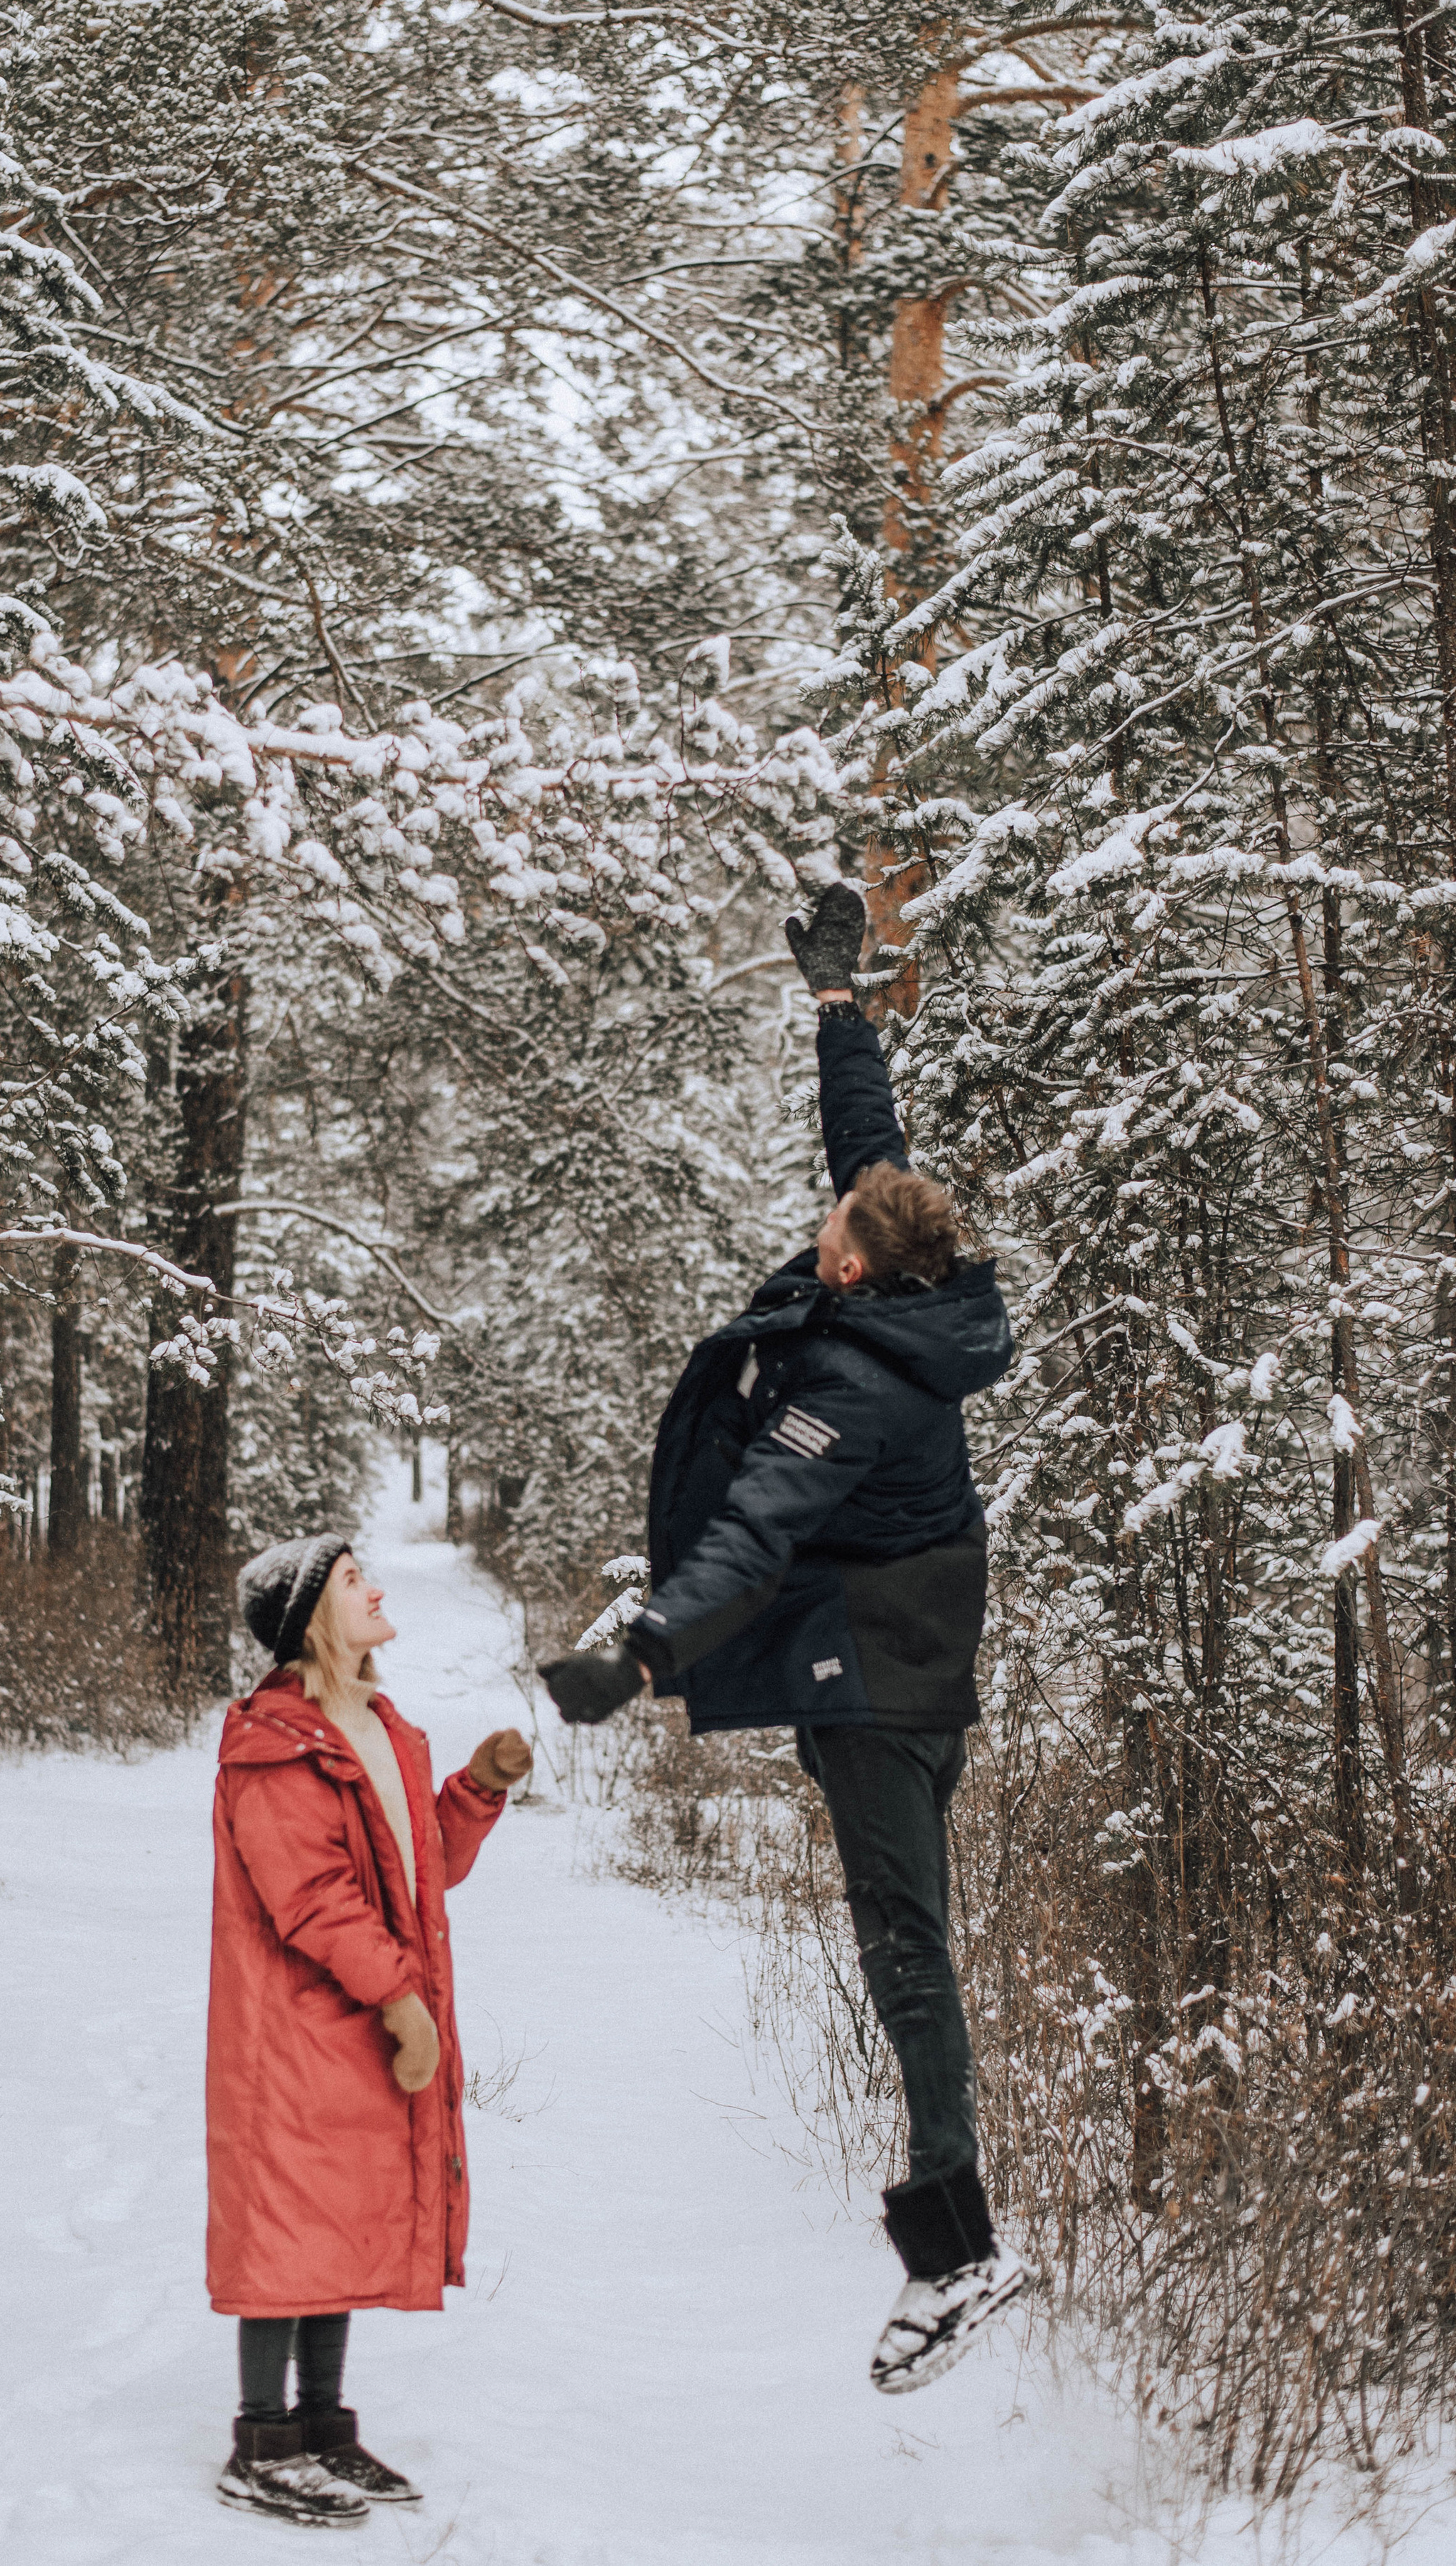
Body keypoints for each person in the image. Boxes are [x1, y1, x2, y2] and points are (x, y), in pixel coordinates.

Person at [541, 883, 1032, 2395]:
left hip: (880, 1677)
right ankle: (953, 2237)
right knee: (904, 1929)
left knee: (903, 1940)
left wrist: (640, 1653)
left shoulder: (853, 1390)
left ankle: (954, 2246)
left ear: (851, 1266)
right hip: (907, 1638)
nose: (822, 1211)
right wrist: (836, 1007)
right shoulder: (909, 1294)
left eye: (829, 1224)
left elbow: (755, 1529)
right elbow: (862, 1142)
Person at [206, 1535, 532, 2525]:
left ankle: (322, 2428)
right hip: (299, 2028)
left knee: (337, 2217)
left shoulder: (380, 1726)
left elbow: (416, 1867)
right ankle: (260, 2439)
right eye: (354, 1580)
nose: (377, 1589)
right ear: (311, 1614)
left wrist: (475, 1789)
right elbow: (313, 1898)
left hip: (360, 2019)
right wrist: (401, 2001)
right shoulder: (275, 1741)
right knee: (285, 2223)